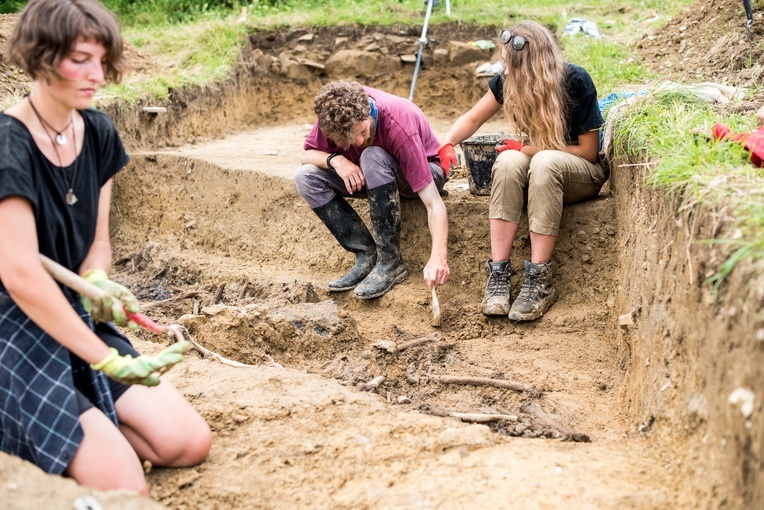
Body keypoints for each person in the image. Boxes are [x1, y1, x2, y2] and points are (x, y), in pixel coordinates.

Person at [0, 0, 212, 496]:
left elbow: (96, 242)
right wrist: (105, 357)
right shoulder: (9, 145)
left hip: (70, 312)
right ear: (40, 57)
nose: (97, 74)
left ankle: (74, 428)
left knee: (187, 442)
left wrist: (96, 280)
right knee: (125, 487)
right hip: (13, 326)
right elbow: (20, 275)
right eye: (79, 59)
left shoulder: (96, 131)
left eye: (102, 59)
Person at [439, 20, 607, 321]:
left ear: (532, 66)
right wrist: (447, 142)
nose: (505, 72)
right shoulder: (509, 82)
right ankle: (499, 274)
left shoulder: (575, 80)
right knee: (506, 160)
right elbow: (474, 118)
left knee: (542, 161)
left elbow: (588, 152)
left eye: (511, 66)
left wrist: (532, 150)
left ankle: (538, 281)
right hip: (542, 170)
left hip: (579, 173)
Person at [294, 81, 450, 299]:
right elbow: (306, 155)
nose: (359, 141)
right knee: (305, 178)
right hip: (373, 175)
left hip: (426, 172)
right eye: (348, 140)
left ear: (368, 110)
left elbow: (434, 204)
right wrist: (336, 160)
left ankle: (390, 262)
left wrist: (438, 257)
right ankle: (367, 254)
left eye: (362, 131)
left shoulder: (398, 123)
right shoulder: (335, 115)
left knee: (371, 154)